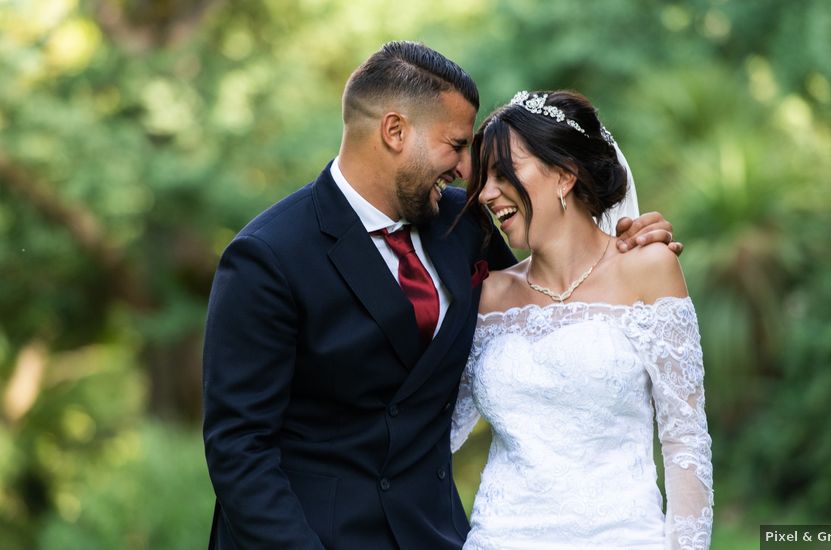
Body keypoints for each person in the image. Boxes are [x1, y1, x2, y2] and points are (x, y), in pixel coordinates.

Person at [202, 42, 680, 549]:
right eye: (455, 144)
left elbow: (555, 299)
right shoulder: (267, 255)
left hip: (437, 534)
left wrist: (626, 244)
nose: (465, 169)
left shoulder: (463, 225)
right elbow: (240, 447)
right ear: (395, 132)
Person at [451, 90, 713, 549]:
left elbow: (685, 441)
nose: (486, 193)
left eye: (503, 172)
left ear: (564, 175)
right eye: (484, 177)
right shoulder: (488, 294)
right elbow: (437, 429)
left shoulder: (649, 270)